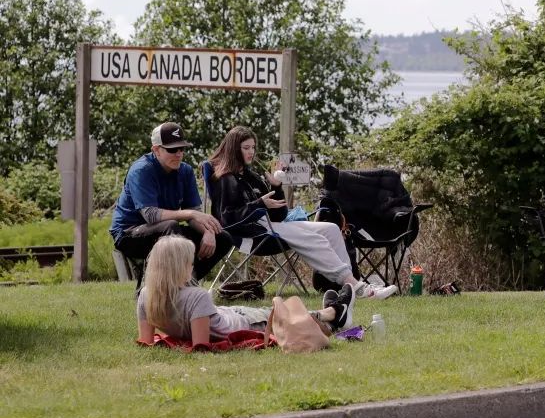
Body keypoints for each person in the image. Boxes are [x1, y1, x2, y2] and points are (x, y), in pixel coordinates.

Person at [207, 126, 398, 299]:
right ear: (234, 149)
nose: (251, 152)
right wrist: (260, 204)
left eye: (253, 147)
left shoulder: (251, 177)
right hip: (252, 234)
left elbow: (279, 214)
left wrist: (276, 186)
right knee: (316, 240)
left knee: (331, 229)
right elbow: (228, 219)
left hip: (272, 225)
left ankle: (348, 286)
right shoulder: (226, 179)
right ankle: (358, 288)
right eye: (246, 148)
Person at [136, 235, 355, 346]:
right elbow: (201, 346)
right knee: (282, 315)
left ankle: (330, 313)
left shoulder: (147, 295)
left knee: (268, 310)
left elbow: (146, 341)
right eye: (188, 262)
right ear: (178, 267)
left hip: (225, 315)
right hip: (242, 324)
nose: (192, 267)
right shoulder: (196, 296)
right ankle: (335, 313)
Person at [110, 122, 232, 282]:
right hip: (128, 233)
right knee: (171, 227)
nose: (179, 154)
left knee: (223, 237)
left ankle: (187, 281)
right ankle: (174, 287)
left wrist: (208, 232)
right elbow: (151, 215)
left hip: (166, 230)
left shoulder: (186, 171)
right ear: (156, 150)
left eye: (182, 149)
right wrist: (191, 213)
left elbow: (193, 215)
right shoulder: (141, 170)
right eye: (172, 149)